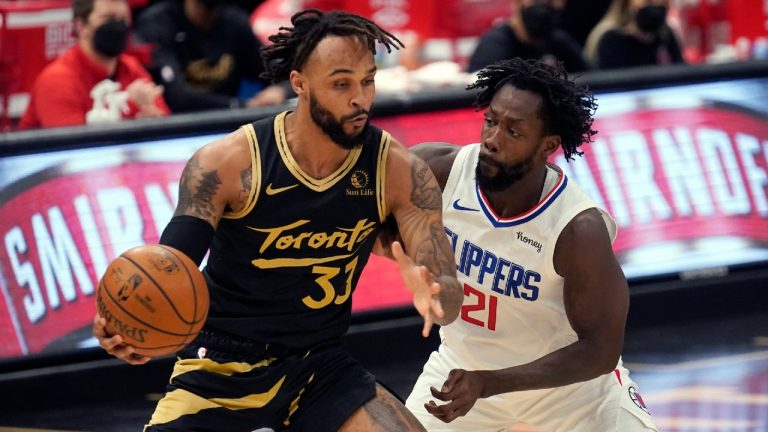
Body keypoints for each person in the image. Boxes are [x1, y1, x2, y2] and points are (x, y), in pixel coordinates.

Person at [92, 8, 463, 432]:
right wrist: (124, 324)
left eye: (368, 80)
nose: (360, 98)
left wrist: (437, 293)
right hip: (220, 364)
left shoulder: (398, 171)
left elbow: (449, 297)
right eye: (341, 83)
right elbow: (171, 263)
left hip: (318, 366)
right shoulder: (229, 163)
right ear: (300, 84)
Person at [376, 58, 657, 430]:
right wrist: (406, 262)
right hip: (460, 373)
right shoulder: (439, 171)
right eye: (491, 121)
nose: (492, 139)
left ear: (548, 145)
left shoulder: (577, 230)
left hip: (571, 395)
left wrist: (491, 382)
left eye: (513, 132)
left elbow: (601, 350)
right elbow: (362, 222)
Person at [19, 0, 169, 130]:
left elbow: (165, 123)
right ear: (81, 26)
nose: (118, 26)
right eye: (108, 18)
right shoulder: (57, 80)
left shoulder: (131, 68)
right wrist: (127, 104)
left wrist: (153, 121)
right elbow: (72, 147)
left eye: (123, 19)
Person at [135, 0, 288, 112]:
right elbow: (176, 97)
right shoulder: (159, 23)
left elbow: (283, 75)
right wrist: (242, 106)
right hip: (175, 129)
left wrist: (280, 91)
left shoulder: (235, 22)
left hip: (227, 126)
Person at [466, 0, 589, 74]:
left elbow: (593, 79)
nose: (545, 5)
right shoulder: (494, 45)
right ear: (517, 3)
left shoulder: (559, 41)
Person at [584, 0, 685, 69]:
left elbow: (681, 71)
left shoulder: (665, 34)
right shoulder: (610, 38)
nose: (654, 5)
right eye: (647, 1)